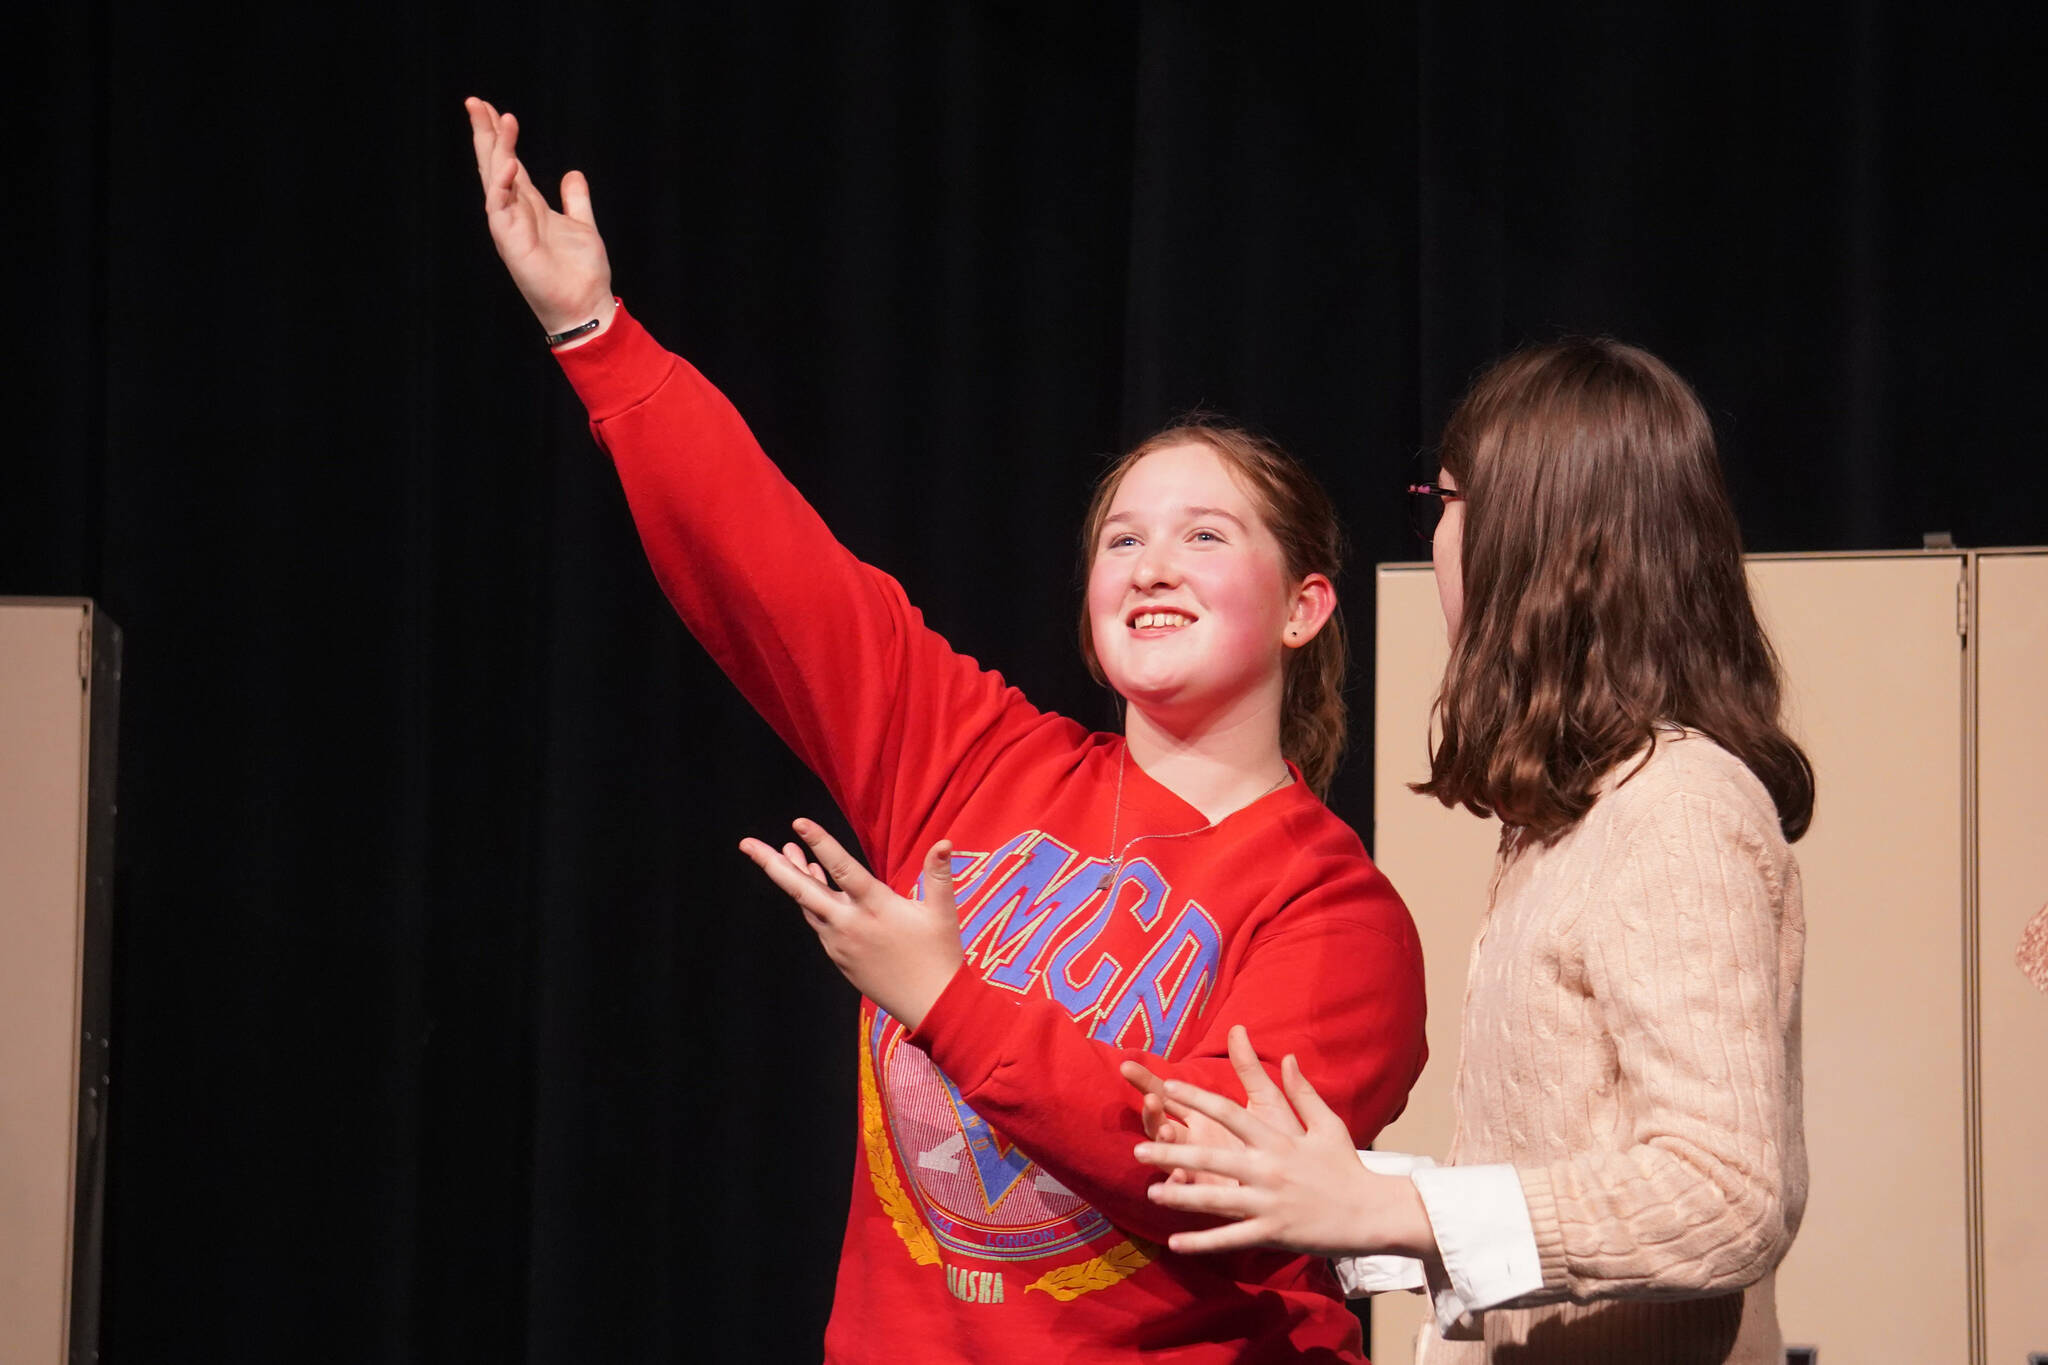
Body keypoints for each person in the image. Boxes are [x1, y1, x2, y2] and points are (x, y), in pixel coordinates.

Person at [463, 97, 1427, 1363]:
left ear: (1306, 606)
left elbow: (1217, 1184)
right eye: (1120, 539)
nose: (1149, 566)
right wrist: (593, 333)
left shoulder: (1333, 911)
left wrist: (944, 996)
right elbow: (775, 570)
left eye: (1204, 536)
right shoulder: (983, 763)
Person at [1126, 338, 1812, 1364]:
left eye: (1444, 501)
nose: (1437, 533)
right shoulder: (1579, 815)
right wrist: (1344, 1192)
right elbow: (1559, 1168)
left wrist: (1401, 1212)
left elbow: (1723, 1194)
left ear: (1534, 538)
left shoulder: (1674, 809)